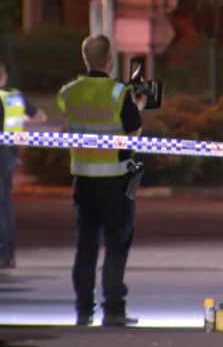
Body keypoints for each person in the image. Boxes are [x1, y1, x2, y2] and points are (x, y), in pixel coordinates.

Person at [57, 35, 144, 327]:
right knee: (117, 244)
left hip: (83, 181)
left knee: (85, 247)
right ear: (109, 59)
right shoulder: (118, 92)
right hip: (115, 181)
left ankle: (84, 310)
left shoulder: (69, 92)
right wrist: (137, 106)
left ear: (86, 59)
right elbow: (133, 134)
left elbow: (67, 125)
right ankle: (114, 310)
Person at [0, 61, 46, 268]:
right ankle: (7, 254)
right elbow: (42, 117)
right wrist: (24, 119)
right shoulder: (14, 98)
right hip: (9, 157)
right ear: (4, 77)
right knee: (5, 206)